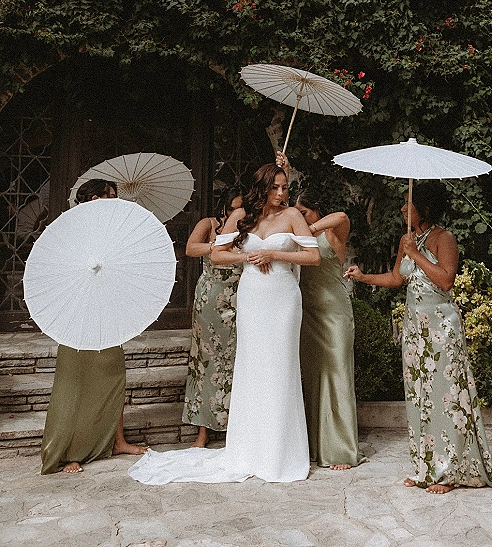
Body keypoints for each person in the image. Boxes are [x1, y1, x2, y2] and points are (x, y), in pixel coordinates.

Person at [128, 163, 320, 484]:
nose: (282, 193)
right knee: (252, 367)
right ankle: (249, 448)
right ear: (262, 187)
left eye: (285, 187)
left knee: (280, 366)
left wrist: (276, 254)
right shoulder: (242, 216)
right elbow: (217, 255)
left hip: (282, 297)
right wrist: (246, 257)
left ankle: (280, 452)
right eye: (275, 188)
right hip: (252, 296)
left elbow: (313, 257)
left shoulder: (292, 217)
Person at [345, 180, 492, 494]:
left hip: (442, 327)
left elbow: (445, 280)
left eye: (408, 204)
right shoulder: (407, 239)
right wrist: (362, 276)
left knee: (447, 396)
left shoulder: (445, 238)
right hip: (414, 327)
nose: (403, 208)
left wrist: (416, 254)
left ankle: (451, 472)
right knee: (420, 397)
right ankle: (427, 467)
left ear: (424, 208)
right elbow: (395, 278)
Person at [41, 179, 148, 474]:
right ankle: (68, 451)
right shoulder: (70, 231)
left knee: (115, 376)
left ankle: (118, 441)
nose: (115, 202)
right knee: (73, 385)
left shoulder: (113, 234)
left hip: (107, 312)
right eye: (110, 197)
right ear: (94, 200)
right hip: (77, 315)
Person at [295, 190, 364, 470]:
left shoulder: (332, 234)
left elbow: (343, 216)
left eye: (304, 212)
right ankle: (313, 445)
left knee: (336, 375)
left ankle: (341, 450)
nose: (299, 218)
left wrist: (309, 227)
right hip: (306, 313)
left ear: (316, 211)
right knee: (312, 377)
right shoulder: (299, 241)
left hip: (334, 314)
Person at [182, 185, 244, 447]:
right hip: (211, 297)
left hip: (241, 296)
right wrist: (216, 245)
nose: (236, 213)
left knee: (237, 362)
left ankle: (237, 427)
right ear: (223, 207)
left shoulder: (248, 225)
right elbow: (189, 248)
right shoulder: (208, 223)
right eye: (231, 209)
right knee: (205, 361)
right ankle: (203, 431)